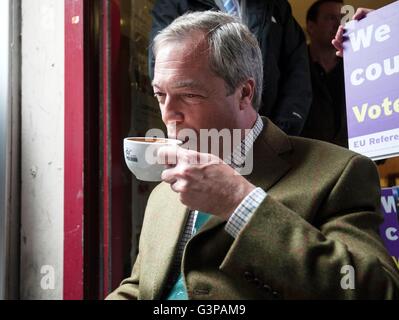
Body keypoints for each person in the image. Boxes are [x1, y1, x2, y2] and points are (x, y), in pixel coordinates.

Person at [107, 11, 399, 300]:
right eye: (160, 95)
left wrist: (239, 202)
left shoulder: (340, 172)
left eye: (189, 95)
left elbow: (373, 292)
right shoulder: (163, 193)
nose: (168, 114)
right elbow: (140, 287)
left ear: (244, 93)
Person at [148, 0, 312, 136]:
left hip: (270, 129)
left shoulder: (276, 6)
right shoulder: (174, 4)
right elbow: (165, 73)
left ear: (245, 92)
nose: (167, 115)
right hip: (203, 137)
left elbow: (297, 73)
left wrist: (280, 132)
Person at [301, 0, 348, 148]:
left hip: (352, 159)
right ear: (311, 26)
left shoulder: (355, 67)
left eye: (342, 19)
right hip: (306, 159)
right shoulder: (293, 66)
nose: (339, 25)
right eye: (330, 18)